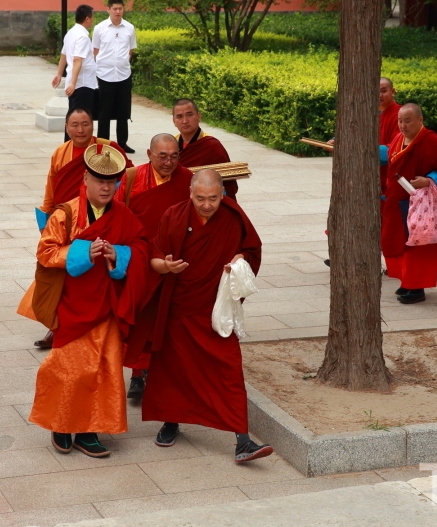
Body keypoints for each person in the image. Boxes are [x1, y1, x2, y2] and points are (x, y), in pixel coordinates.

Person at [126, 170, 272, 463]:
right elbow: (153, 257)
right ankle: (171, 423)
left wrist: (241, 259)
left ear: (223, 194)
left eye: (214, 199)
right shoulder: (174, 216)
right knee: (174, 370)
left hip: (216, 309)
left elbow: (252, 249)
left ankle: (243, 440)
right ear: (190, 193)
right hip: (178, 307)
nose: (207, 205)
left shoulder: (233, 217)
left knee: (229, 370)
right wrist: (165, 267)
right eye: (200, 198)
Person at [26, 143, 149, 457]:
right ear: (85, 179)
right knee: (67, 368)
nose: (106, 187)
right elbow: (45, 252)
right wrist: (81, 252)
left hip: (107, 305)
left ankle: (89, 429)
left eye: (112, 182)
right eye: (99, 181)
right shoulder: (66, 213)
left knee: (102, 370)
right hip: (73, 303)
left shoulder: (123, 215)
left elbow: (141, 247)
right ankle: (61, 424)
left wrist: (118, 255)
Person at [21, 107, 132, 349]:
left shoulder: (107, 149)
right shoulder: (61, 152)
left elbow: (124, 179)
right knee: (60, 277)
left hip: (99, 217)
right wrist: (47, 219)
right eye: (74, 124)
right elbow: (52, 187)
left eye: (85, 124)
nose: (80, 129)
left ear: (93, 125)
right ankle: (55, 326)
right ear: (66, 127)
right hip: (68, 220)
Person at [115, 134, 194, 399]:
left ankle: (157, 371)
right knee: (140, 318)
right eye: (162, 156)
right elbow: (117, 215)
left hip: (175, 260)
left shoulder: (187, 180)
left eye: (174, 156)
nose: (169, 162)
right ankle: (137, 374)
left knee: (166, 321)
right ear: (149, 154)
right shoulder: (132, 178)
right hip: (141, 261)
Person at [381, 103, 437, 305]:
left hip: (421, 205)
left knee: (419, 245)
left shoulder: (430, 141)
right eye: (400, 121)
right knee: (399, 242)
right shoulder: (399, 139)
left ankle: (417, 287)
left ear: (420, 120)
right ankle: (407, 281)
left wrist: (430, 181)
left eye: (408, 121)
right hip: (397, 200)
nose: (403, 125)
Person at [324, 78, 401, 267]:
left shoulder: (400, 115)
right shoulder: (365, 111)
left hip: (386, 179)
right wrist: (337, 141)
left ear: (393, 92)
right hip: (359, 176)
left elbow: (396, 148)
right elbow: (351, 132)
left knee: (385, 223)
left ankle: (390, 263)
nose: (380, 95)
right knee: (347, 216)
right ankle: (342, 256)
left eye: (383, 90)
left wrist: (364, 150)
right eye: (376, 91)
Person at [93, 0, 137, 154]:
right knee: (104, 111)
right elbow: (95, 50)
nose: (118, 11)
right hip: (104, 75)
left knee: (123, 111)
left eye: (120, 8)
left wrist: (123, 62)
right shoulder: (100, 28)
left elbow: (131, 49)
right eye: (115, 9)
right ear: (108, 9)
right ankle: (103, 144)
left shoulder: (129, 28)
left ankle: (122, 143)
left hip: (124, 75)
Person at [172, 98, 238, 199]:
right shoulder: (171, 145)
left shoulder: (212, 146)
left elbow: (227, 184)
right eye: (179, 117)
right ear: (174, 121)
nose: (185, 121)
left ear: (199, 116)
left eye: (189, 115)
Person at [52, 5, 98, 144]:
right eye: (92, 17)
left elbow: (63, 55)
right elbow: (77, 60)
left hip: (76, 83)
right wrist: (73, 83)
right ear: (87, 18)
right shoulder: (82, 36)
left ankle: (69, 146)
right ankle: (77, 147)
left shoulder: (71, 33)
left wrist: (59, 74)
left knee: (72, 117)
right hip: (82, 84)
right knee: (81, 120)